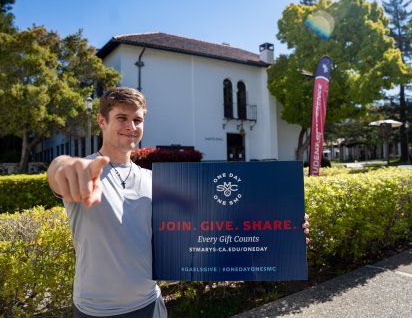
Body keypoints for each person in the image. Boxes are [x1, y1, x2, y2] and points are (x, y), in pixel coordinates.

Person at [47, 87, 309, 318]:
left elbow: (211, 227)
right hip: (96, 311)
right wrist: (63, 166)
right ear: (102, 121)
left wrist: (284, 233)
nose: (131, 126)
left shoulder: (155, 181)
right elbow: (59, 173)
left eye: (137, 119)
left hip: (149, 304)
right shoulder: (86, 171)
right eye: (122, 118)